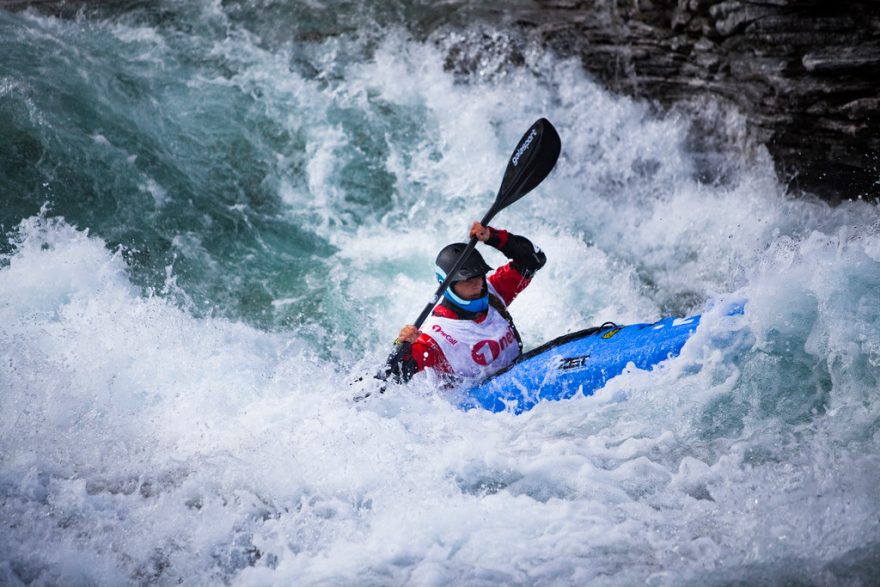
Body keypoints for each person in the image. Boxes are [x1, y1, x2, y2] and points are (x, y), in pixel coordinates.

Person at [391, 221, 546, 384]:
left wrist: (492, 236)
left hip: (521, 378)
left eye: (479, 276)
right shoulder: (433, 337)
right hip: (476, 407)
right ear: (448, 285)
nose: (477, 285)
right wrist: (400, 344)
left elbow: (534, 260)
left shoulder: (494, 292)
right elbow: (395, 377)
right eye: (467, 280)